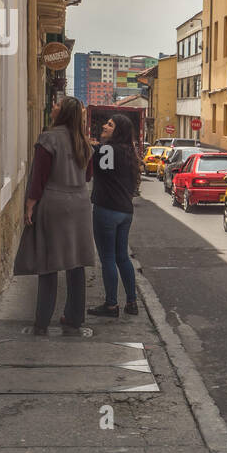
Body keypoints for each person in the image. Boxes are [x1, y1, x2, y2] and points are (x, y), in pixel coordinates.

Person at [15, 96, 96, 337]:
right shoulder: (84, 142)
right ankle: (74, 320)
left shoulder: (48, 139)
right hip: (80, 205)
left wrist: (30, 206)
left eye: (57, 105)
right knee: (76, 263)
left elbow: (39, 176)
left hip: (54, 202)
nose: (53, 106)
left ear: (63, 113)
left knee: (48, 263)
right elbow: (88, 176)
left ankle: (41, 322)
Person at [89, 112, 141, 318]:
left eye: (109, 125)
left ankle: (111, 305)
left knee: (108, 258)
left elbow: (96, 167)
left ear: (117, 131)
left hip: (107, 210)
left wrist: (98, 145)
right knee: (122, 257)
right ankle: (132, 302)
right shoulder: (129, 152)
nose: (104, 126)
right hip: (125, 212)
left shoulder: (108, 150)